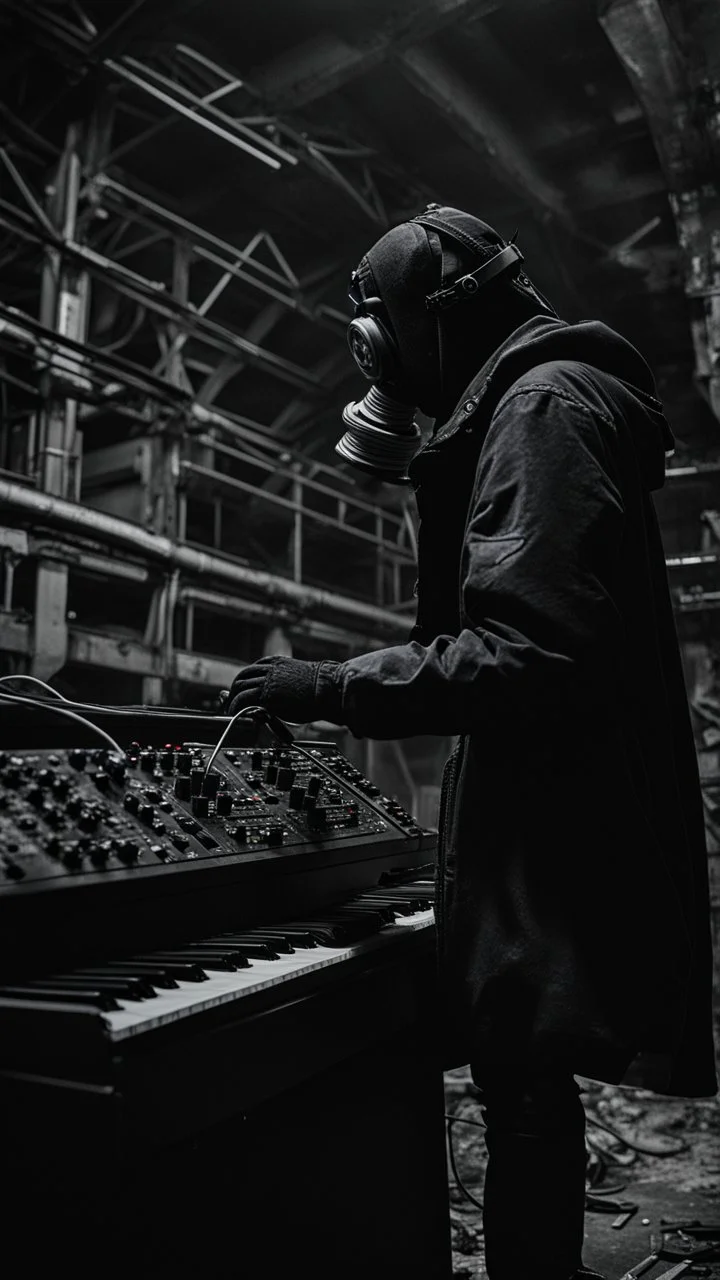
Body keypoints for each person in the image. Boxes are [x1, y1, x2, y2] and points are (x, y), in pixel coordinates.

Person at [225, 205, 718, 1280]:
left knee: (525, 1084)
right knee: (521, 1081)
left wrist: (333, 685)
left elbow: (526, 650)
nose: (383, 357)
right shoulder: (542, 399)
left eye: (385, 330)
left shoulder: (539, 407)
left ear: (435, 321)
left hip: (554, 820)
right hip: (552, 810)